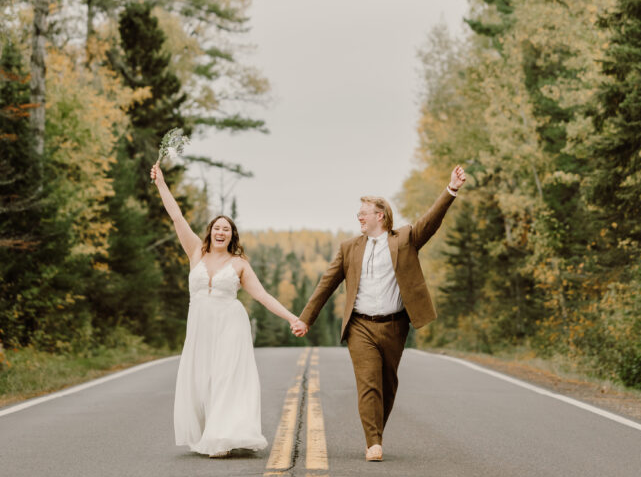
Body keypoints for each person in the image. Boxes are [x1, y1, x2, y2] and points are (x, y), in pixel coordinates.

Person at [293, 165, 466, 461]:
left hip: (395, 326)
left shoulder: (405, 239)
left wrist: (451, 190)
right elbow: (326, 284)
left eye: (364, 212)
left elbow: (431, 222)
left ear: (380, 216)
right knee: (368, 381)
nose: (358, 217)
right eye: (358, 213)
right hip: (360, 326)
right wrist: (305, 318)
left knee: (388, 383)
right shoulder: (349, 248)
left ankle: (376, 433)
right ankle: (373, 442)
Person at [151, 161, 303, 457]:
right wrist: (160, 183)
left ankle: (222, 437)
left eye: (227, 229)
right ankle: (209, 431)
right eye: (217, 228)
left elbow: (262, 296)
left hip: (230, 326)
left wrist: (292, 318)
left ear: (232, 236)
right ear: (210, 232)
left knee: (224, 379)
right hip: (200, 328)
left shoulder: (239, 264)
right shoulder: (196, 251)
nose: (222, 232)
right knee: (201, 381)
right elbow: (177, 216)